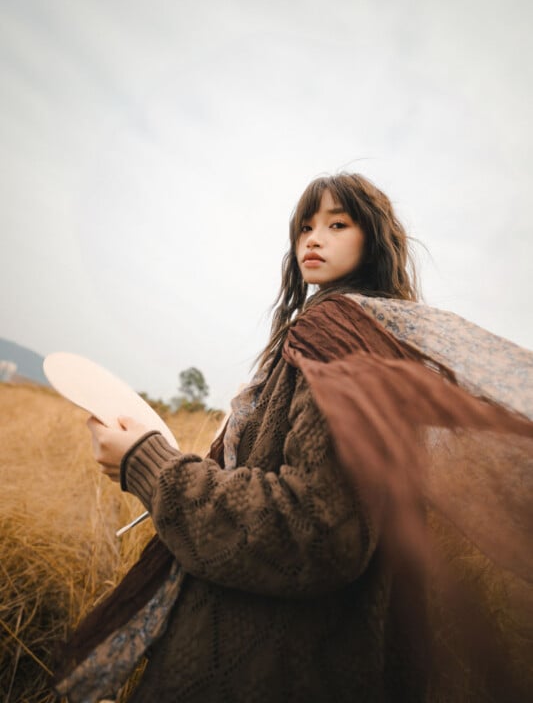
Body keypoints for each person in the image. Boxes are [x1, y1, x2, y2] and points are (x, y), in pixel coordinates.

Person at [54, 174, 533, 703]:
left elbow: (317, 529)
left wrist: (149, 464)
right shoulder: (359, 338)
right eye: (305, 226)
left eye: (337, 224)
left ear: (371, 239)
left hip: (270, 668)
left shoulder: (334, 338)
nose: (313, 238)